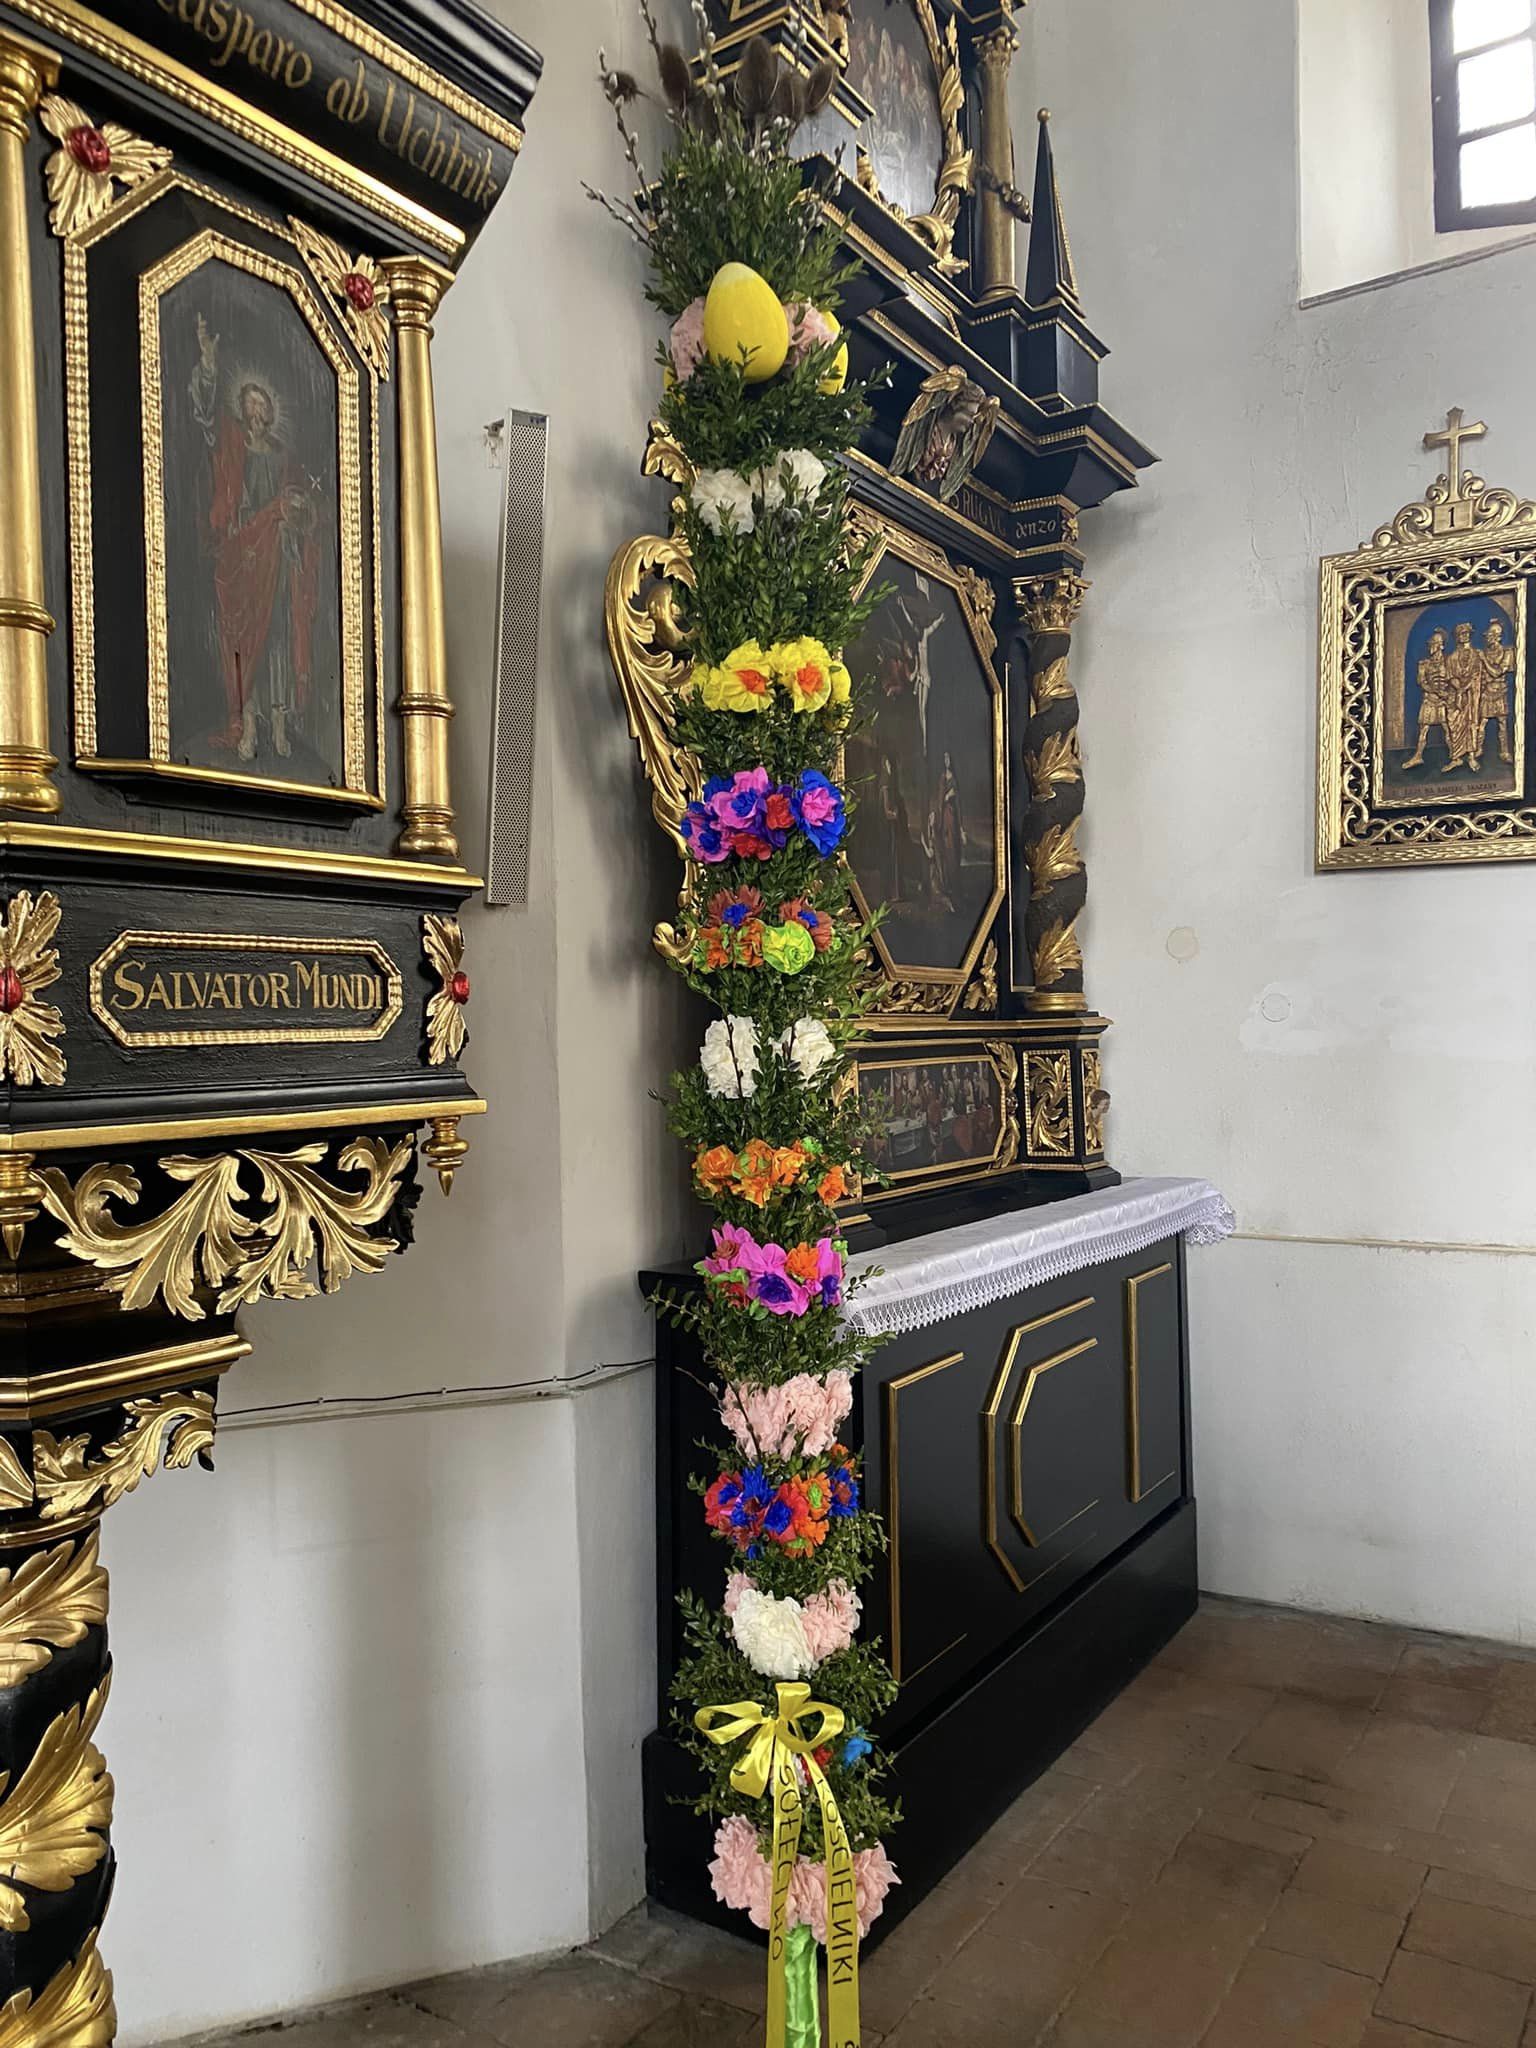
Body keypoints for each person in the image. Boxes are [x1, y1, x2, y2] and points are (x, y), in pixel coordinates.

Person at [189, 310, 321, 765]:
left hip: (277, 557)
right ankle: (246, 724)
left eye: (262, 404)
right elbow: (207, 421)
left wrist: (295, 515)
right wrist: (208, 367)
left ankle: (278, 725)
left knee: (277, 637)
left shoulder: (283, 456)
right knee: (248, 641)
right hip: (244, 553)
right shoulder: (232, 442)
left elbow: (303, 506)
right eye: (250, 403)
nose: (257, 410)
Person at [1401, 626, 1452, 770]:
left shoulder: (1449, 662)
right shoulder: (1424, 664)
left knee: (1448, 728)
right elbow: (1422, 682)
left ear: (1441, 645)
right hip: (1429, 699)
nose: (1431, 646)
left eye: (1435, 643)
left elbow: (1453, 680)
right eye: (1431, 643)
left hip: (1444, 701)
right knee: (1423, 729)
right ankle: (1418, 756)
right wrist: (1437, 692)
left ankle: (1454, 756)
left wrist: (1448, 694)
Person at [1471, 618, 1515, 772]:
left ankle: (1504, 751)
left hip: (1499, 691)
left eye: (1490, 635)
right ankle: (1478, 748)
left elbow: (1497, 673)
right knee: (1482, 722)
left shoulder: (1507, 653)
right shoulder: (1483, 652)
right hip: (1486, 692)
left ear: (1498, 637)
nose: (1487, 638)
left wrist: (1483, 660)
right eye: (1487, 635)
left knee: (1502, 722)